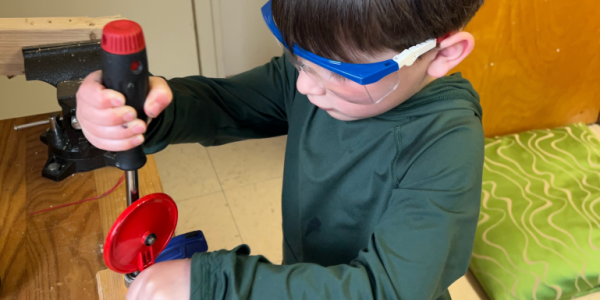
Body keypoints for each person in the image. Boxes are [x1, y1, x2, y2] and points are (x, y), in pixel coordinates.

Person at [76, 0, 486, 298]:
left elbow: (385, 290)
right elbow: (226, 103)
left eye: (338, 71)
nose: (305, 85)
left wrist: (215, 284)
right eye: (298, 57)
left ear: (443, 53)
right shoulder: (318, 81)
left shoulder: (446, 145)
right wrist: (146, 111)